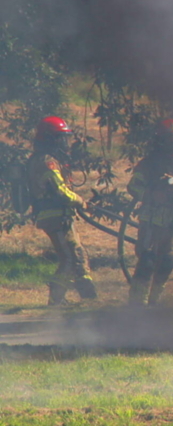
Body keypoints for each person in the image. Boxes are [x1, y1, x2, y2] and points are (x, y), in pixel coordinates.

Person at [126, 119, 173, 305]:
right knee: (147, 262)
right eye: (170, 140)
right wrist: (152, 194)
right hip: (150, 220)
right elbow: (134, 186)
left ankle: (155, 302)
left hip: (172, 221)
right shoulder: (148, 163)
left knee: (167, 262)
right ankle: (137, 305)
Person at [27, 116, 97, 305]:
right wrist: (80, 201)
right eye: (61, 138)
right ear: (50, 139)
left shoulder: (49, 160)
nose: (66, 143)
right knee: (69, 258)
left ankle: (86, 294)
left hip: (60, 216)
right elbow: (60, 191)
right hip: (54, 216)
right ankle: (56, 299)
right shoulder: (46, 162)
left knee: (76, 253)